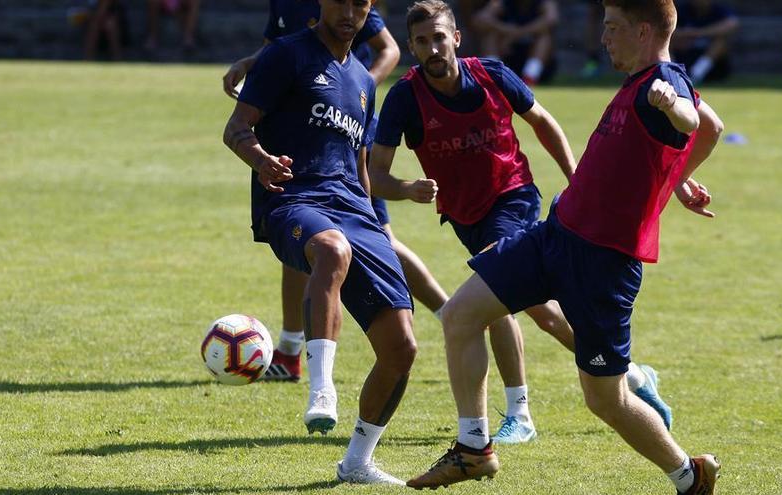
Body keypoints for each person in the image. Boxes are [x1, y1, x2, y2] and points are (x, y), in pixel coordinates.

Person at [407, 0, 725, 493]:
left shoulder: (664, 82)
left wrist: (671, 107)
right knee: (460, 314)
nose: (603, 38)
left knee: (605, 400)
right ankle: (474, 449)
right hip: (554, 236)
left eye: (613, 28)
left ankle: (689, 474)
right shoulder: (642, 81)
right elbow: (714, 126)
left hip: (604, 264)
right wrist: (678, 178)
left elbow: (692, 119)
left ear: (643, 31)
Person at [370, 0, 673, 447]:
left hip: (513, 197)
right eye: (421, 41)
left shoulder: (492, 74)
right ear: (412, 47)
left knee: (490, 300)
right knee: (544, 315)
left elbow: (543, 122)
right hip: (464, 216)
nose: (432, 48)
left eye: (439, 37)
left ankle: (519, 412)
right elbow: (374, 176)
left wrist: (574, 177)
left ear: (456, 37)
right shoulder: (404, 98)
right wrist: (406, 188)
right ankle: (631, 374)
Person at [223, 0, 415, 485]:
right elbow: (236, 129)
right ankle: (321, 387)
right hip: (292, 201)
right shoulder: (286, 55)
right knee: (330, 249)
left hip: (356, 211)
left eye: (361, 3)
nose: (350, 11)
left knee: (402, 349)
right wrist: (261, 159)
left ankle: (357, 462)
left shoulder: (365, 82)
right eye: (341, 1)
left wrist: (375, 219)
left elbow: (360, 166)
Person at [222, 0, 447, 384]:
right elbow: (275, 45)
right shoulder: (285, 12)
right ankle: (292, 351)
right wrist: (248, 63)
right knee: (312, 244)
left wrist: (358, 85)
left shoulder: (352, 13)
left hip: (344, 131)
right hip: (304, 139)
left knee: (379, 238)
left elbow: (389, 48)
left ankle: (449, 311)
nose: (348, 10)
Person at [471, 0, 559, 85]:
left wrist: (518, 33)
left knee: (544, 37)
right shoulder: (502, 2)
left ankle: (530, 77)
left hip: (535, 61)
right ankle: (493, 75)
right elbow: (480, 19)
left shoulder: (543, 2)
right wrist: (503, 28)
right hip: (507, 58)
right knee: (491, 36)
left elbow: (551, 19)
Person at [671, 0, 739, 84]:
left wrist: (697, 33)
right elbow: (665, 28)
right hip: (684, 56)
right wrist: (683, 36)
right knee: (668, 42)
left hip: (710, 65)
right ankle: (674, 75)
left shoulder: (718, 10)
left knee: (721, 42)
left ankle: (696, 76)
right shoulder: (682, 10)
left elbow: (732, 24)